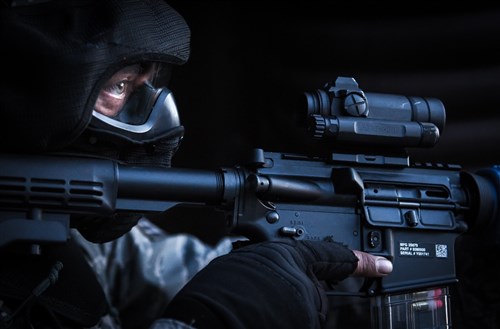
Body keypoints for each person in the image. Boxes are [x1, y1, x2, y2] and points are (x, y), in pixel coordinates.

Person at [0, 1, 393, 328]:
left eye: (149, 85)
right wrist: (220, 317)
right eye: (118, 86)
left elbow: (166, 268)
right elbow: (228, 297)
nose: (157, 114)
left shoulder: (68, 230)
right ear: (46, 93)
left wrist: (324, 271)